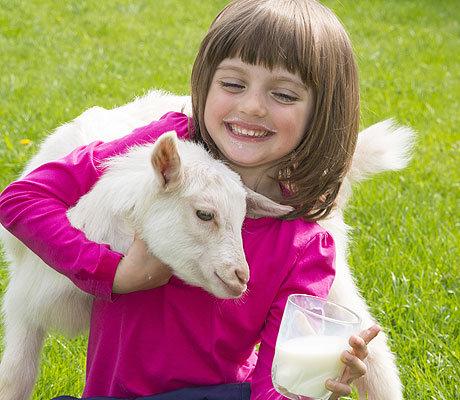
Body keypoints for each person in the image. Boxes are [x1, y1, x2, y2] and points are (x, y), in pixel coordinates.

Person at [0, 0, 380, 399]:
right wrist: (113, 272)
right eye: (232, 84)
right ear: (204, 83)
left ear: (322, 113)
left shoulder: (305, 246)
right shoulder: (164, 146)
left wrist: (307, 386)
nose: (252, 106)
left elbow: (274, 386)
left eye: (283, 94)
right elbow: (23, 198)